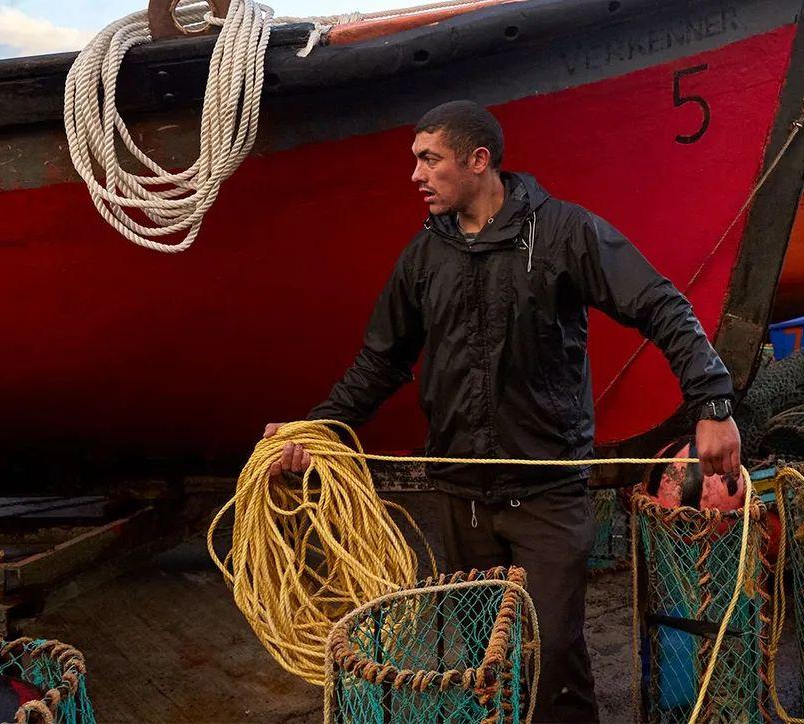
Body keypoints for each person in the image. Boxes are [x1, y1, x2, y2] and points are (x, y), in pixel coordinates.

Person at [265, 100, 741, 722]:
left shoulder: (566, 232)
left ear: (478, 160)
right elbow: (379, 364)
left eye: (429, 159)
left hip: (546, 495)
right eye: (416, 160)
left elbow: (660, 306)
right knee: (490, 666)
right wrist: (313, 431)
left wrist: (711, 403)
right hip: (461, 497)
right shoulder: (422, 257)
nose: (415, 175)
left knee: (550, 664)